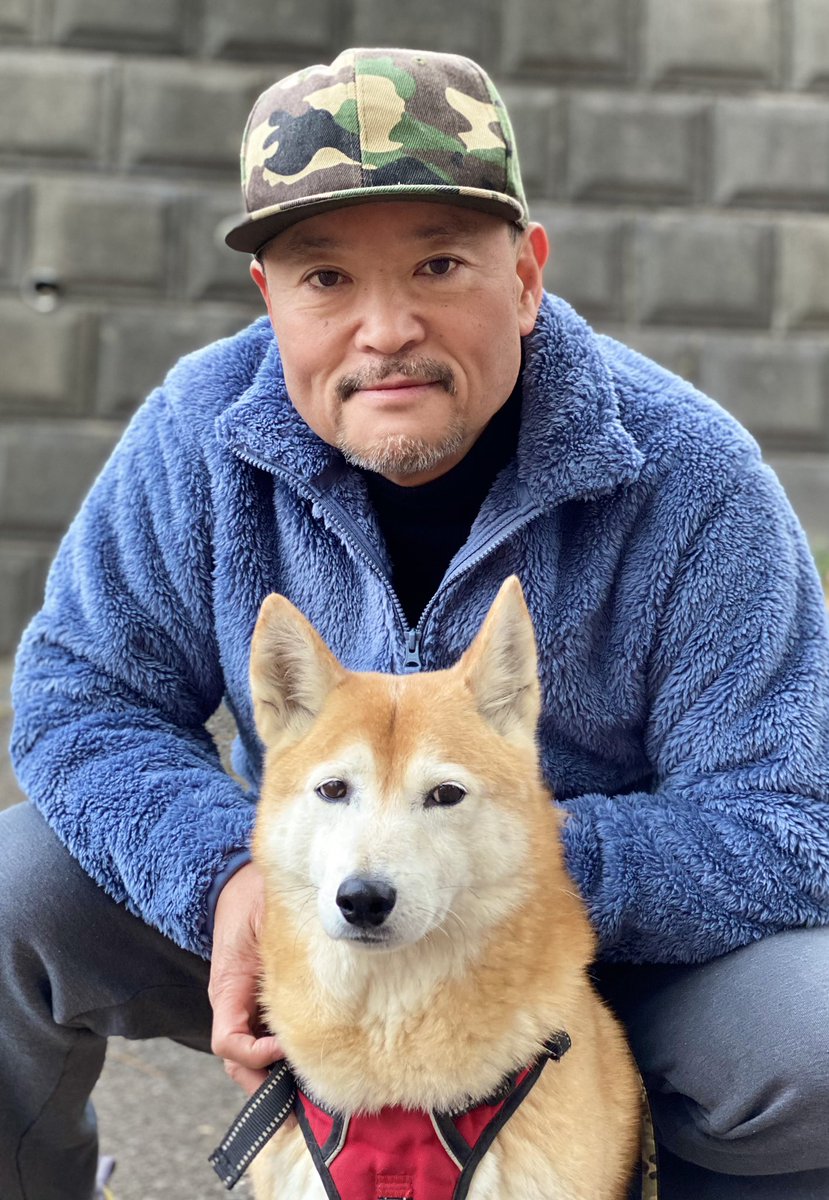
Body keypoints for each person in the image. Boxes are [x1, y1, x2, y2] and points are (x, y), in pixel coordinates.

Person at [2, 46, 828, 1200]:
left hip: (604, 969)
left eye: (439, 263)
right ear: (270, 300)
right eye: (325, 278)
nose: (384, 328)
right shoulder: (197, 434)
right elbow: (77, 700)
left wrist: (512, 868)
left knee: (813, 1032)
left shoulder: (691, 480)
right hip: (308, 916)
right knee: (13, 891)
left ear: (528, 274)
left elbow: (787, 824)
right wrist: (226, 878)